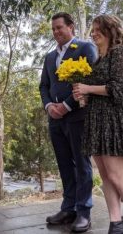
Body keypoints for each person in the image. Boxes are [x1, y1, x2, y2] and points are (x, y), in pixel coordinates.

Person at [72, 14, 123, 234]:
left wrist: (88, 89)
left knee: (116, 175)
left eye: (98, 29)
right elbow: (94, 91)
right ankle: (116, 223)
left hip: (113, 120)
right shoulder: (98, 59)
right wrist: (82, 96)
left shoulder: (120, 53)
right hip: (96, 120)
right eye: (93, 30)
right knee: (106, 176)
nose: (94, 33)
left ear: (110, 30)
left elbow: (120, 88)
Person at [39, 12, 98, 233]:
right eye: (53, 29)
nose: (55, 32)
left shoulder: (84, 48)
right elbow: (44, 86)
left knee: (82, 165)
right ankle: (69, 208)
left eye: (59, 28)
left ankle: (84, 212)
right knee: (65, 164)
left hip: (77, 116)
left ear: (71, 27)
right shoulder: (49, 57)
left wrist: (66, 105)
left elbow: (91, 81)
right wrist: (49, 107)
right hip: (55, 119)